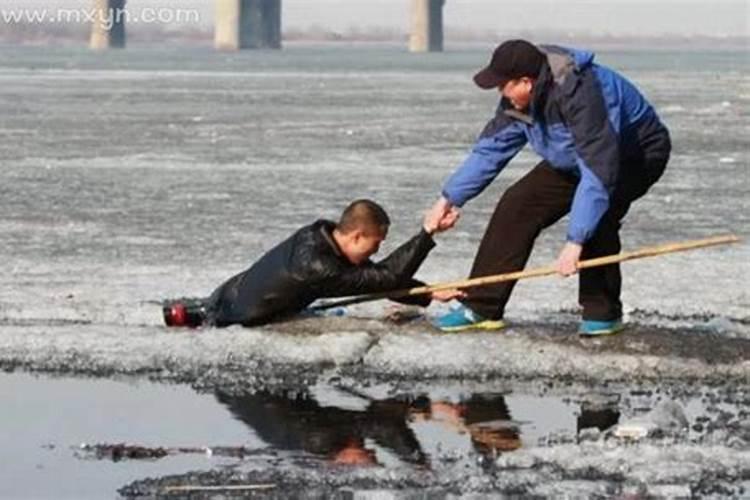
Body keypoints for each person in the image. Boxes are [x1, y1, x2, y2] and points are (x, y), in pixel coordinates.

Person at [428, 40, 671, 335]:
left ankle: (602, 312)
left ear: (526, 82)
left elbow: (596, 171)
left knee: (599, 218)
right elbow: (491, 151)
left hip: (633, 153)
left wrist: (575, 242)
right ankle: (482, 305)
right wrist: (447, 199)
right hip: (573, 157)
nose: (500, 93)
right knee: (518, 203)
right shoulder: (516, 102)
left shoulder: (580, 93)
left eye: (502, 85)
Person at [164, 199, 462, 328]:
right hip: (236, 316)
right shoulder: (318, 268)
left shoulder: (318, 234)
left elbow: (372, 276)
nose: (378, 248)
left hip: (228, 293)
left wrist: (429, 293)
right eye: (376, 243)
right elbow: (384, 278)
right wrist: (427, 233)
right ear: (357, 235)